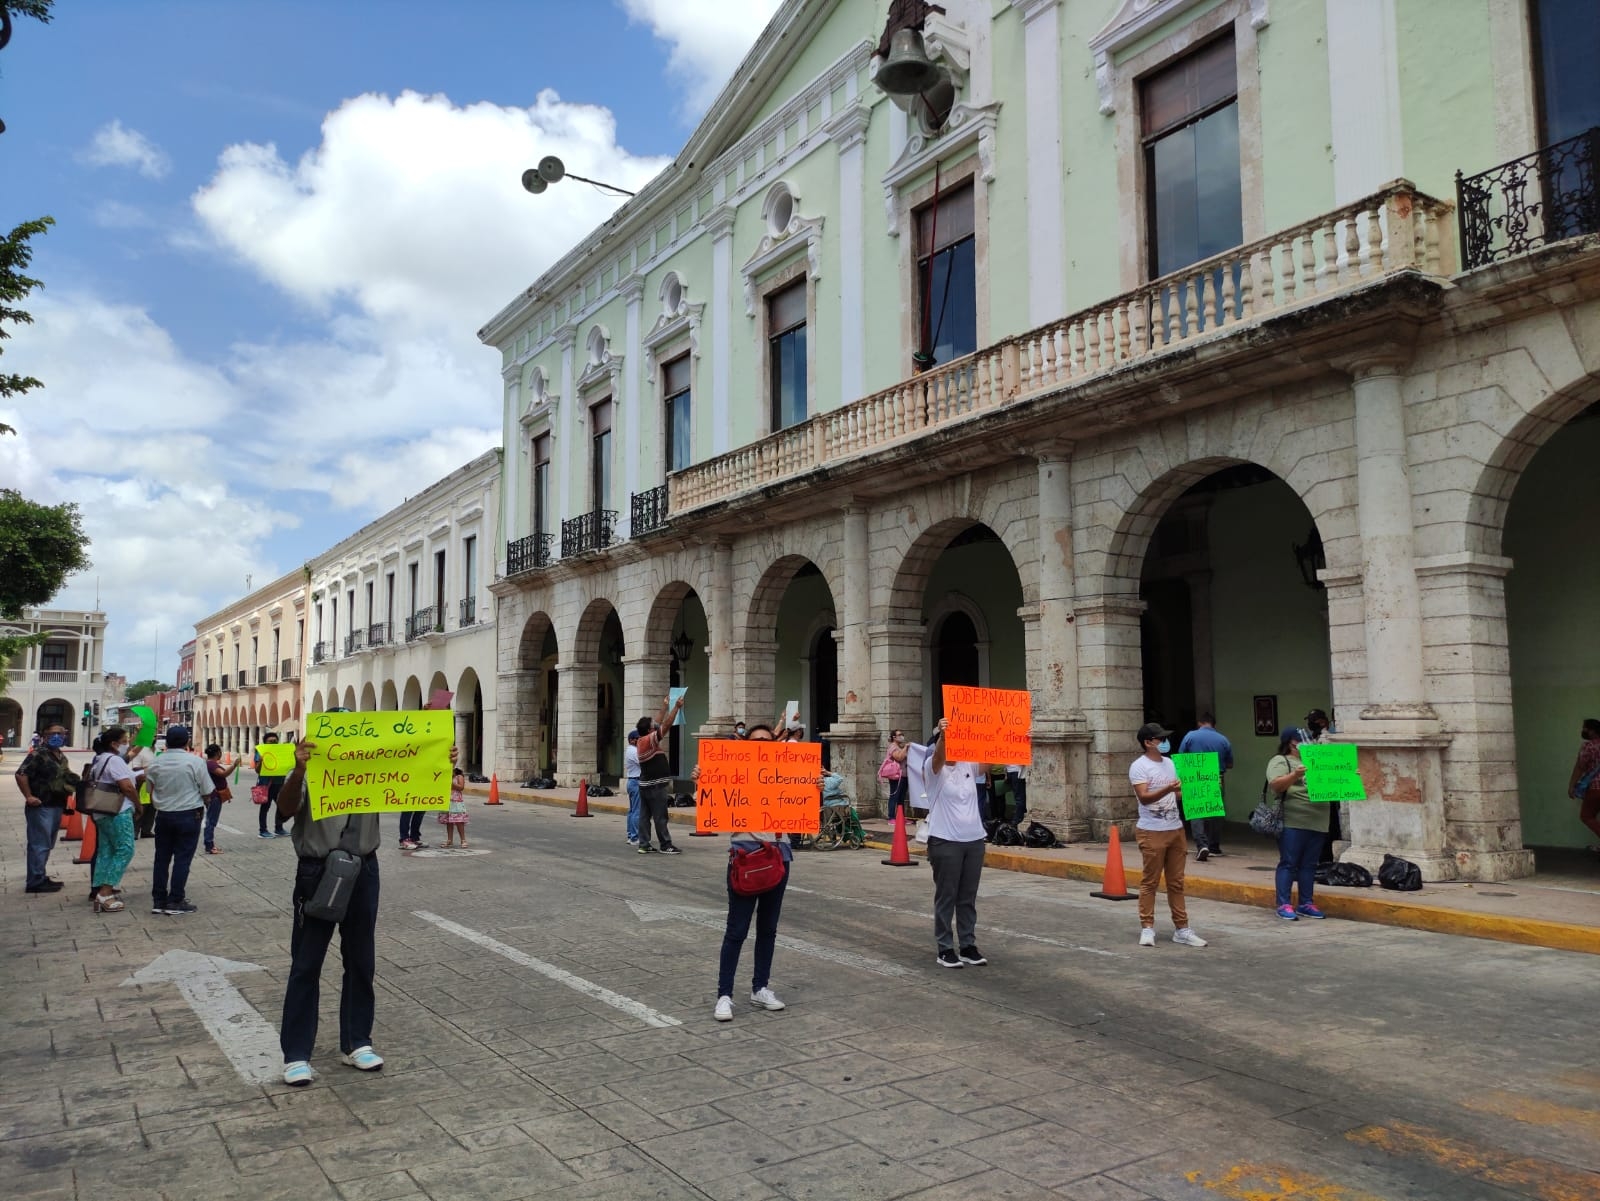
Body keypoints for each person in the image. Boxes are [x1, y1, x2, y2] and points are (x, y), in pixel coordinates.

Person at [274, 737, 460, 1086]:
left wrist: (441, 761)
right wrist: (299, 769)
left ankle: (356, 1042)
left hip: (363, 869)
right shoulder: (307, 771)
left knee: (361, 960)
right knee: (306, 963)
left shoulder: (373, 774)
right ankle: (297, 1053)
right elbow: (284, 811)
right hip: (317, 870)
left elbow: (416, 781)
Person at [699, 721, 793, 1021]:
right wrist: (701, 779)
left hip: (779, 857)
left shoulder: (787, 774)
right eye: (755, 742)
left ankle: (760, 987)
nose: (762, 746)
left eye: (767, 741)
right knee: (736, 930)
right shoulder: (734, 775)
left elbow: (803, 809)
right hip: (745, 857)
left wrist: (813, 786)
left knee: (768, 929)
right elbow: (712, 797)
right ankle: (724, 995)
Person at [908, 717, 989, 969]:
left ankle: (967, 945)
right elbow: (939, 757)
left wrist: (1018, 738)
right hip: (945, 842)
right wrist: (944, 735)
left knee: (968, 897)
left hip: (974, 840)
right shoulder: (934, 772)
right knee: (947, 895)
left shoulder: (969, 765)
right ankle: (944, 947)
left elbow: (992, 756)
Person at [1129, 722, 1207, 948]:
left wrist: (1203, 788)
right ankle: (1147, 927)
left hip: (1175, 829)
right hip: (1151, 830)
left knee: (1176, 882)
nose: (1164, 742)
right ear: (1148, 742)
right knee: (1150, 882)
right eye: (1160, 739)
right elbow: (1144, 797)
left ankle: (1182, 928)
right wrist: (1169, 789)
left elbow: (1177, 794)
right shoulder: (1139, 766)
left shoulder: (1170, 763)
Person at [143, 726, 212, 915]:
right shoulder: (195, 762)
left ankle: (158, 900)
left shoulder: (155, 763)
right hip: (189, 814)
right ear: (186, 742)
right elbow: (207, 790)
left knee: (161, 858)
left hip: (164, 815)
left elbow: (150, 790)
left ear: (166, 743)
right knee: (182, 858)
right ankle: (175, 900)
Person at [1266, 728, 1328, 920]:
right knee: (1289, 863)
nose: (1306, 744)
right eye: (1300, 741)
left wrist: (1350, 777)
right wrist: (1295, 775)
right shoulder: (1281, 761)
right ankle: (1284, 903)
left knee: (1309, 865)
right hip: (1293, 820)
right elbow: (1276, 785)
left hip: (1318, 821)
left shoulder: (1320, 762)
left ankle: (1306, 903)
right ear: (1290, 743)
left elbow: (1335, 784)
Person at [15, 723, 78, 893]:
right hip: (41, 806)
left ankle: (40, 876)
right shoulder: (39, 753)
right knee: (39, 843)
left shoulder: (59, 755)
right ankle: (35, 881)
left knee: (47, 843)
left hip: (56, 805)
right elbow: (21, 774)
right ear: (44, 735)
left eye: (60, 733)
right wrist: (29, 796)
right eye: (52, 734)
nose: (57, 736)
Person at [86, 726, 139, 913]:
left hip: (101, 810)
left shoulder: (100, 759)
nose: (127, 744)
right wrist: (138, 805)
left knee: (106, 850)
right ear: (114, 744)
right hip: (118, 810)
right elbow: (127, 786)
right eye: (124, 741)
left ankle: (100, 890)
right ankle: (106, 892)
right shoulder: (114, 760)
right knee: (125, 849)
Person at [1177, 713, 1234, 860]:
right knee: (1216, 812)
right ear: (1214, 724)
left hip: (1195, 777)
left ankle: (1202, 845)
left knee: (1197, 812)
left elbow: (1181, 757)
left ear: (1199, 723)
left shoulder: (1190, 736)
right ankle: (1214, 846)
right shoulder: (1223, 739)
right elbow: (1230, 764)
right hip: (1216, 778)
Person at [635, 691, 686, 855]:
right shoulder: (648, 740)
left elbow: (658, 722)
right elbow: (665, 726)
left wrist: (664, 706)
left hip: (646, 786)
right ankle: (665, 844)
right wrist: (676, 708)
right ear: (650, 729)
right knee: (660, 816)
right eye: (652, 725)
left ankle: (644, 843)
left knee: (645, 816)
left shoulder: (643, 739)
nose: (655, 725)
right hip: (655, 786)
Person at [1568, 717, 1600, 847]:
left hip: (1596, 788)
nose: (1583, 730)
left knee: (1586, 816)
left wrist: (1571, 786)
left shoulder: (1589, 746)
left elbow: (1580, 767)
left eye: (1585, 728)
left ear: (1592, 731)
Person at [255, 732, 290, 838]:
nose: (273, 743)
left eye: (275, 741)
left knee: (281, 806)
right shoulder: (261, 751)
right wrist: (260, 761)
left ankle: (278, 828)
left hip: (279, 783)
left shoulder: (281, 751)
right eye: (270, 741)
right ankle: (263, 830)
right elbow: (257, 770)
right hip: (266, 784)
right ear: (265, 742)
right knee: (265, 807)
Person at [202, 743, 231, 855]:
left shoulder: (209, 764)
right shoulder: (211, 765)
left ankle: (209, 844)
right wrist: (233, 766)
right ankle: (209, 845)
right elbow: (223, 774)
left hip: (213, 795)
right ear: (217, 753)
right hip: (214, 796)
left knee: (211, 819)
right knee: (211, 820)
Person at [128, 737, 158, 838]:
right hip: (142, 782)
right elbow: (135, 768)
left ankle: (146, 830)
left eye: (155, 735)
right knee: (141, 806)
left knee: (152, 807)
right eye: (151, 735)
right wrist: (148, 768)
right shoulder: (140, 751)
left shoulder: (156, 750)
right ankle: (135, 832)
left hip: (154, 782)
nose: (154, 737)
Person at [881, 729, 910, 823]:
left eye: (902, 734)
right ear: (894, 737)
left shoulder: (899, 747)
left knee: (901, 797)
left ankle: (901, 816)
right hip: (897, 776)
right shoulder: (893, 747)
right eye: (899, 734)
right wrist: (906, 748)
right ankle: (891, 817)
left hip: (904, 775)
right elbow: (899, 757)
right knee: (894, 796)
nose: (902, 736)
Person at [439, 767, 470, 848]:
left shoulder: (459, 776)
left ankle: (463, 840)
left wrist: (451, 783)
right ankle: (449, 840)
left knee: (459, 821)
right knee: (449, 822)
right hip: (447, 800)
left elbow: (461, 787)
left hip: (456, 801)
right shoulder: (444, 776)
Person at [623, 729, 642, 845]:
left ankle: (631, 835)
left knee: (632, 811)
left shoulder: (630, 750)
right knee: (637, 811)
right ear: (632, 740)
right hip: (636, 781)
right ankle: (635, 837)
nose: (640, 741)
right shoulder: (634, 751)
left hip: (632, 781)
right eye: (638, 739)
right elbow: (643, 762)